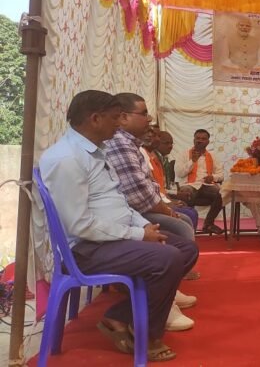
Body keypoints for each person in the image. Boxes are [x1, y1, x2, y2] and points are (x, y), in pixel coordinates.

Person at [39, 90, 199, 361]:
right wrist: (138, 234)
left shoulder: (96, 152)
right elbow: (79, 225)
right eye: (115, 118)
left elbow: (119, 202)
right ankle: (145, 336)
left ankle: (120, 316)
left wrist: (145, 228)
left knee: (185, 248)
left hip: (110, 238)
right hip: (84, 249)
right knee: (168, 257)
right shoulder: (67, 159)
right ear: (95, 119)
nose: (118, 124)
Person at [105, 94, 195, 242]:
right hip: (130, 211)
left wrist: (167, 206)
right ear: (124, 117)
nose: (149, 119)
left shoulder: (133, 145)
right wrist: (168, 210)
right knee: (182, 226)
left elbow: (150, 185)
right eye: (144, 114)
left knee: (185, 219)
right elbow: (138, 194)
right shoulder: (120, 143)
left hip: (141, 207)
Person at [175, 129, 225, 235]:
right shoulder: (183, 154)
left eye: (203, 139)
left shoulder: (213, 156)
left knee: (221, 193)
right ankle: (188, 227)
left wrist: (213, 177)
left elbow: (221, 175)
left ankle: (208, 224)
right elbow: (179, 173)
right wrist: (192, 161)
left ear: (208, 142)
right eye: (197, 138)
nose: (200, 141)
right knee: (186, 193)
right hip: (189, 185)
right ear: (194, 140)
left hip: (207, 186)